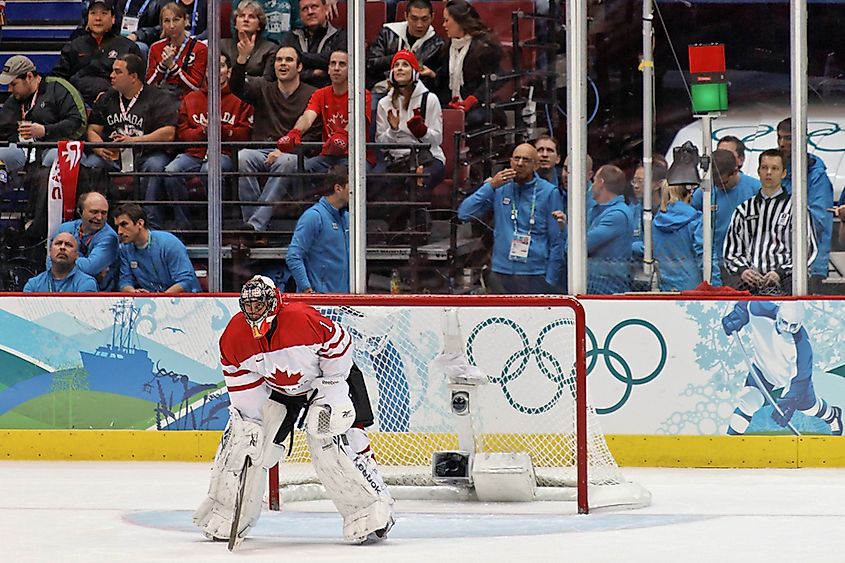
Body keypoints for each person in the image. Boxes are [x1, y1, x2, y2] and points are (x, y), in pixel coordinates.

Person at [193, 275, 394, 544]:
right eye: (248, 306)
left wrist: (331, 391)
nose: (253, 312)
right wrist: (252, 425)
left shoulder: (301, 318)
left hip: (328, 378)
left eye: (259, 305)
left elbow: (340, 344)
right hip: (281, 389)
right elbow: (242, 384)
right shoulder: (234, 336)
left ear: (273, 302)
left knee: (332, 441)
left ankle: (373, 509)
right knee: (245, 442)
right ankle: (226, 513)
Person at [84, 54, 177, 228]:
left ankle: (151, 224)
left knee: (155, 166)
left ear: (133, 77)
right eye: (112, 71)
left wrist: (135, 140)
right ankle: (98, 223)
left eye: (118, 72)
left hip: (147, 155)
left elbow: (169, 133)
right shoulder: (107, 97)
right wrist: (98, 147)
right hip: (114, 156)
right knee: (91, 164)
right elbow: (92, 129)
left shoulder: (157, 97)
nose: (111, 76)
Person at [721, 301, 842, 436]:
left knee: (810, 408)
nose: (788, 328)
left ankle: (832, 415)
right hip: (763, 369)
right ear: (778, 315)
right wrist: (739, 314)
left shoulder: (803, 347)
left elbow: (800, 381)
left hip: (789, 380)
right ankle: (730, 442)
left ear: (801, 323)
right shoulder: (759, 309)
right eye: (784, 322)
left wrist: (790, 402)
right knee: (749, 401)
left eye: (794, 326)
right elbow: (746, 304)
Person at [230, 44, 316, 231]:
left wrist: (286, 149)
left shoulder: (312, 94)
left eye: (288, 60)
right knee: (242, 157)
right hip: (262, 150)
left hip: (295, 154)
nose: (283, 64)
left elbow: (314, 135)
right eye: (279, 60)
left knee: (285, 162)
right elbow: (236, 87)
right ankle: (254, 225)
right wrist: (242, 59)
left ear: (299, 67)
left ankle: (255, 225)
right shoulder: (263, 89)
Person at [457, 143, 563, 294]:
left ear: (535, 165)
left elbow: (556, 240)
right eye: (516, 159)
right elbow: (464, 213)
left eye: (526, 160)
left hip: (535, 273)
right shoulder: (500, 187)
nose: (520, 164)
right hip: (502, 271)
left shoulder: (549, 192)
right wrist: (490, 187)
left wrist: (550, 280)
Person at [164, 53, 253, 226]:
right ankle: (186, 226)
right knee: (171, 171)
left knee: (209, 171)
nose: (215, 71)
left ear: (229, 71)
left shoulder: (240, 98)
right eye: (210, 67)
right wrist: (202, 132)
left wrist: (221, 131)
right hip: (194, 153)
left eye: (220, 66)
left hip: (224, 153)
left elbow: (245, 135)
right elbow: (182, 134)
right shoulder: (191, 99)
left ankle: (216, 226)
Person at [275, 49, 373, 198]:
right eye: (333, 64)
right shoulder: (321, 94)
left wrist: (343, 135)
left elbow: (358, 120)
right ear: (328, 69)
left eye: (342, 64)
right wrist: (295, 133)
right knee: (298, 168)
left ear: (351, 69)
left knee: (352, 174)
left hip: (356, 156)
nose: (336, 68)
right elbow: (308, 117)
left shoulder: (361, 93)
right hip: (328, 155)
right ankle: (310, 208)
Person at [722, 149, 817, 296]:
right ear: (758, 171)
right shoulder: (744, 209)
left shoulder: (798, 209)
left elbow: (808, 250)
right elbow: (731, 252)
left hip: (788, 283)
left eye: (775, 168)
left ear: (784, 173)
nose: (769, 172)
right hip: (749, 286)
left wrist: (780, 272)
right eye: (764, 168)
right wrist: (743, 271)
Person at [372, 50, 444, 230]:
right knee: (382, 181)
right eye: (396, 65)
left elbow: (437, 139)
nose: (400, 69)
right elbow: (381, 144)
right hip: (397, 159)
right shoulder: (384, 104)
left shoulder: (430, 99)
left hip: (428, 157)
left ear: (414, 72)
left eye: (405, 65)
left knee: (416, 179)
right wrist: (393, 130)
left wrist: (422, 131)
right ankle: (396, 231)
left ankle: (420, 231)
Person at [0, 55, 86, 176]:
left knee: (55, 158)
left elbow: (76, 122)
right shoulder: (15, 98)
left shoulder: (58, 88)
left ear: (29, 76)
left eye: (13, 84)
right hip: (22, 149)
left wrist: (45, 130)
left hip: (52, 146)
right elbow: (3, 127)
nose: (9, 89)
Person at [777, 118, 834, 293]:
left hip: (810, 262)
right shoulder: (779, 170)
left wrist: (781, 229)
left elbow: (818, 220)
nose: (781, 144)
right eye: (779, 138)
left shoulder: (816, 176)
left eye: (787, 138)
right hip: (779, 261)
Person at [52, 0, 142, 107]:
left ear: (113, 18)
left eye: (104, 13)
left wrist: (110, 94)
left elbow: (136, 82)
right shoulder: (74, 46)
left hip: (116, 103)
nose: (98, 18)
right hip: (78, 103)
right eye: (93, 13)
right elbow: (59, 79)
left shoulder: (127, 46)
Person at [690, 149, 758, 286]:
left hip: (747, 265)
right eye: (716, 184)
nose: (720, 187)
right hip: (714, 263)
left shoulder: (755, 189)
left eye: (724, 183)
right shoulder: (703, 194)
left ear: (735, 171)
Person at [435, 0, 502, 130]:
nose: (443, 25)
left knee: (472, 119)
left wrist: (472, 100)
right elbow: (445, 81)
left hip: (482, 105)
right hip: (455, 103)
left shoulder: (484, 47)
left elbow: (494, 79)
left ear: (460, 22)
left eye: (447, 21)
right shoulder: (448, 47)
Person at [286, 166, 349, 293]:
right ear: (338, 188)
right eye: (352, 186)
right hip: (319, 301)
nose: (358, 191)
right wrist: (306, 288)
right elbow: (293, 255)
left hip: (343, 301)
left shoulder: (348, 218)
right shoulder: (313, 216)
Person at [115, 203, 201, 292]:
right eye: (117, 226)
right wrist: (134, 293)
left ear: (140, 223)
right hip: (151, 301)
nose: (119, 231)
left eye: (124, 224)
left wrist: (160, 299)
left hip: (186, 301)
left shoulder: (169, 243)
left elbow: (185, 281)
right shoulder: (125, 249)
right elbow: (125, 281)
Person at [366, 0, 444, 93]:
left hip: (417, 93)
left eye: (424, 19)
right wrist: (400, 57)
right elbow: (371, 64)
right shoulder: (388, 33)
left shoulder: (437, 44)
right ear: (406, 16)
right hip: (383, 89)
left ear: (432, 17)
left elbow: (440, 82)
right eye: (414, 19)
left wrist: (432, 75)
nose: (419, 24)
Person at [54, 192, 120, 291]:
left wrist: (63, 260)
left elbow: (90, 268)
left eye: (104, 213)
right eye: (94, 212)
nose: (99, 217)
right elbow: (51, 261)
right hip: (63, 287)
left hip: (97, 294)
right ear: (80, 211)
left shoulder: (109, 237)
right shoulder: (65, 228)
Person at [145, 2, 208, 101]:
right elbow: (148, 85)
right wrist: (162, 65)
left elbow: (195, 87)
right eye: (166, 21)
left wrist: (172, 66)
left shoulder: (200, 48)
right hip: (160, 101)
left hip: (187, 101)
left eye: (176, 20)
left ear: (185, 21)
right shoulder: (156, 47)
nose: (171, 26)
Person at [587, 165, 634, 294]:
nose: (591, 185)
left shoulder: (617, 215)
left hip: (608, 289)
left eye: (594, 180)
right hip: (595, 285)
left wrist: (568, 232)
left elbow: (579, 247)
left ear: (601, 183)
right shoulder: (597, 210)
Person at [279, 0, 347, 88]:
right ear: (300, 14)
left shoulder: (340, 36)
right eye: (305, 9)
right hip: (297, 94)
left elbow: (332, 61)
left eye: (314, 7)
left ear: (326, 9)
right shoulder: (291, 38)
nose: (310, 12)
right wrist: (313, 73)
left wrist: (299, 56)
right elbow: (286, 70)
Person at [652, 183, 704, 292]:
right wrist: (716, 285)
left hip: (665, 285)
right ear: (690, 193)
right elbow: (704, 254)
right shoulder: (696, 219)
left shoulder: (656, 222)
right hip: (692, 287)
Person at [23, 232, 98, 293]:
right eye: (58, 243)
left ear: (77, 255)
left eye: (68, 245)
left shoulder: (86, 283)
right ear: (50, 251)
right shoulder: (33, 284)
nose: (62, 247)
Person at [222, 1, 278, 81]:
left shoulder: (270, 49)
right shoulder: (222, 46)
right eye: (242, 16)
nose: (246, 19)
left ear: (259, 25)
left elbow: (267, 81)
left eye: (251, 17)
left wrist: (242, 78)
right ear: (235, 23)